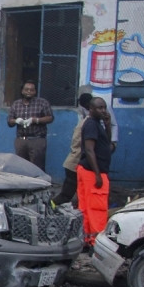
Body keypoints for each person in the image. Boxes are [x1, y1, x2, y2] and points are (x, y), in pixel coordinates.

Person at [77, 97, 113, 249]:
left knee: (85, 208)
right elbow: (89, 150)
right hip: (93, 172)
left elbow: (107, 143)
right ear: (91, 109)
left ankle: (86, 240)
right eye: (99, 108)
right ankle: (97, 243)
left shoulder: (97, 124)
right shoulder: (91, 124)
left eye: (104, 107)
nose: (103, 110)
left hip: (88, 170)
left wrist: (107, 125)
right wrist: (97, 174)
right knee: (97, 209)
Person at [6, 80, 54, 170]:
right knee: (20, 167)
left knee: (37, 167)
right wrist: (16, 121)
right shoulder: (16, 104)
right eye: (26, 89)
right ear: (22, 91)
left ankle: (38, 184)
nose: (29, 92)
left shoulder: (42, 103)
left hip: (37, 140)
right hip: (21, 140)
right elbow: (9, 121)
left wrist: (35, 120)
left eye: (32, 90)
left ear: (35, 91)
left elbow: (50, 118)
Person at [55, 93, 92, 206]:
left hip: (74, 162)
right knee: (66, 195)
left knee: (73, 194)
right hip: (75, 162)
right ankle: (51, 206)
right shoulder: (88, 123)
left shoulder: (85, 121)